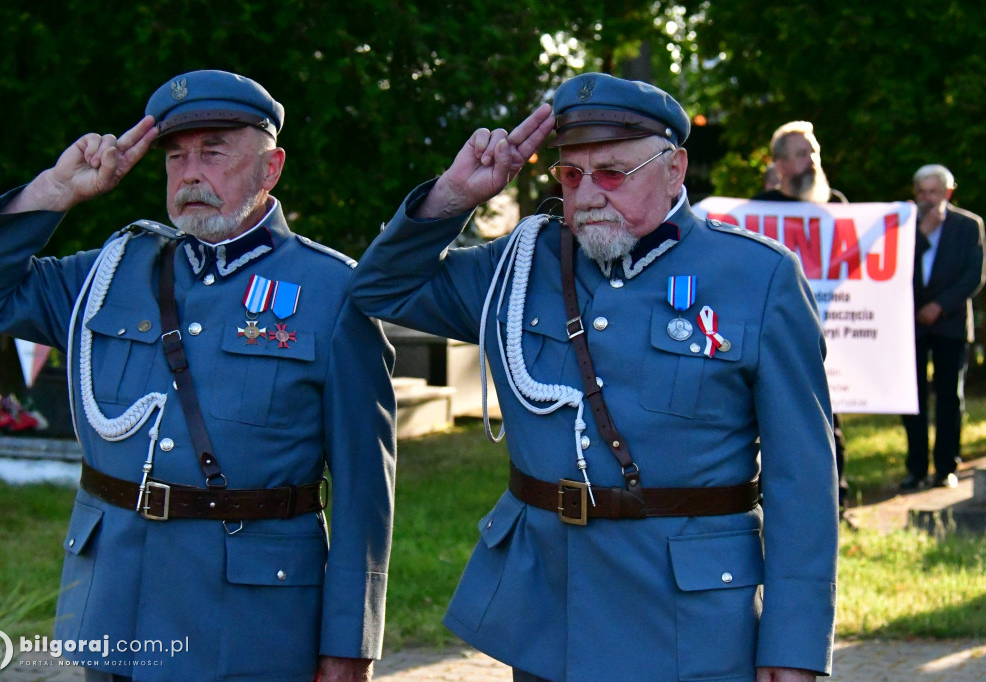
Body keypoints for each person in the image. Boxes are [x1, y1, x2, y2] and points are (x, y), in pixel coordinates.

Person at [350, 73, 838, 682]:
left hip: (691, 626)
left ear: (675, 168)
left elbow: (803, 480)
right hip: (555, 611)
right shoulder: (522, 265)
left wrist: (793, 648)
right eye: (571, 175)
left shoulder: (756, 278)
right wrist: (453, 196)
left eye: (612, 173)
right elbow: (379, 288)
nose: (587, 195)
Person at [0, 70, 395, 681]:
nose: (191, 173)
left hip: (247, 619)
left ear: (270, 169)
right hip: (115, 599)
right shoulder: (114, 272)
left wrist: (349, 647)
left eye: (213, 153)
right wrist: (55, 191)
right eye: (176, 156)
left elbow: (363, 491)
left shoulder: (334, 293)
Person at [751, 120, 850, 508]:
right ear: (778, 164)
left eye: (811, 152)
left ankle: (837, 500)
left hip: (830, 327)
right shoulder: (761, 210)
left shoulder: (838, 206)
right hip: (778, 329)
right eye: (797, 154)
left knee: (831, 416)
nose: (808, 161)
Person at [900, 164, 985, 490]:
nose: (926, 198)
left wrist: (939, 306)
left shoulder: (968, 225)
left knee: (950, 397)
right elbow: (897, 268)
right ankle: (916, 469)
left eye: (933, 192)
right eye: (921, 192)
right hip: (911, 327)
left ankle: (946, 467)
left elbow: (974, 275)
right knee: (913, 399)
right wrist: (922, 233)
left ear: (948, 193)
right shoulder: (905, 226)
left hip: (950, 325)